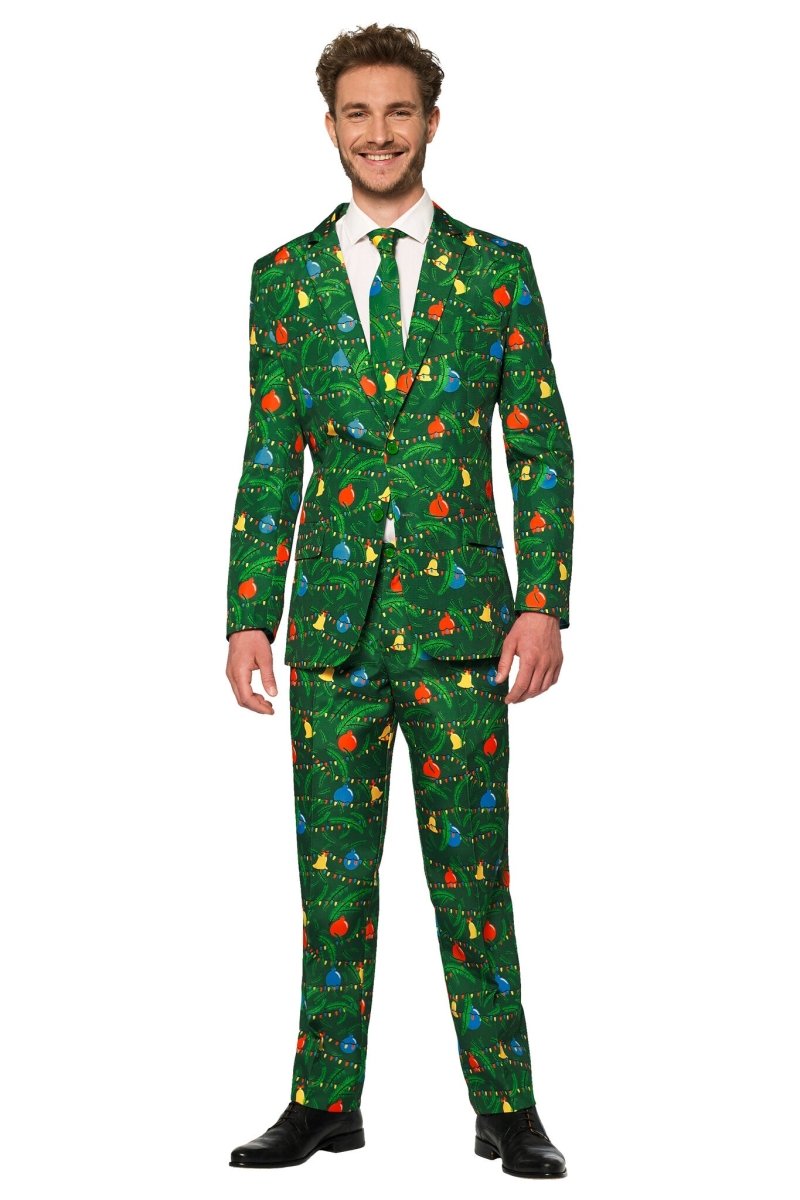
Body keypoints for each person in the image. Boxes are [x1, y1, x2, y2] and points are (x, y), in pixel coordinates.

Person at [224, 21, 574, 1179]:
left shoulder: (496, 269)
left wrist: (543, 600)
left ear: (430, 121)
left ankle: (506, 1105)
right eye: (357, 113)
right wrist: (247, 614)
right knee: (331, 883)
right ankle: (324, 1101)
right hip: (330, 631)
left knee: (474, 879)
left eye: (398, 111)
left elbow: (538, 445)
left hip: (464, 627)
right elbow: (270, 454)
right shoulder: (282, 278)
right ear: (330, 125)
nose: (378, 132)